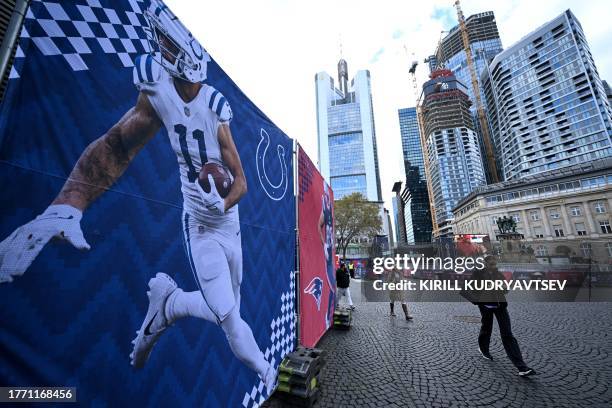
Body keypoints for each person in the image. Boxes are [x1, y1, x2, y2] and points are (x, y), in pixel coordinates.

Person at [0, 0, 277, 392]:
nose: (160, 50)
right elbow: (118, 145)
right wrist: (68, 204)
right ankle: (265, 370)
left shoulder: (215, 106)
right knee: (229, 317)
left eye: (167, 44)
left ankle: (170, 305)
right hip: (199, 224)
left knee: (225, 308)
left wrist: (224, 201)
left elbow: (242, 183)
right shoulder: (156, 86)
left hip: (228, 222)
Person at [470, 255, 535, 377]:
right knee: (486, 328)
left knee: (507, 334)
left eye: (495, 264)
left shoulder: (498, 274)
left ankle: (521, 367)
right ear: (485, 264)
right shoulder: (477, 274)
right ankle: (483, 349)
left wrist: (503, 288)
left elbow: (505, 289)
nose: (493, 267)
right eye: (491, 264)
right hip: (485, 306)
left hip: (500, 306)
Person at [318, 183, 335, 328]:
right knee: (331, 285)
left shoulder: (329, 207)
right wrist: (324, 244)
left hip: (330, 248)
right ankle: (326, 317)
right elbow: (319, 225)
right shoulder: (325, 208)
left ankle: (328, 316)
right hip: (328, 250)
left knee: (333, 286)